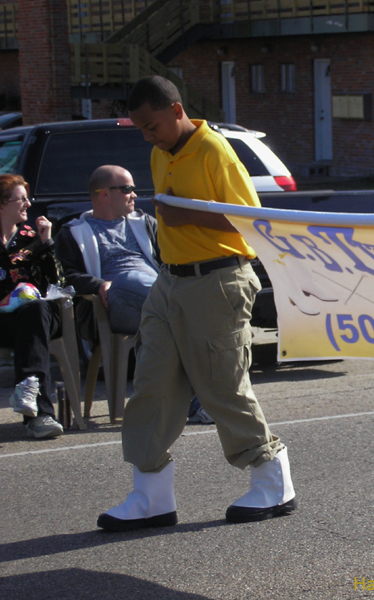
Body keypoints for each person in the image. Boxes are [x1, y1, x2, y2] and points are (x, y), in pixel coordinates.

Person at [97, 75, 296, 531]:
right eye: (142, 130)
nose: (149, 136)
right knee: (151, 385)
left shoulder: (215, 151)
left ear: (176, 110)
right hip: (170, 282)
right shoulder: (159, 151)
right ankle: (151, 498)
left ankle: (273, 481)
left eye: (153, 126)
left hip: (218, 279)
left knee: (221, 385)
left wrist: (187, 213)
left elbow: (253, 223)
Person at [55, 165, 213, 424]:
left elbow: (171, 260)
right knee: (132, 280)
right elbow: (65, 276)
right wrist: (97, 285)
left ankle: (195, 405)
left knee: (168, 324)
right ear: (104, 194)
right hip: (112, 305)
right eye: (127, 189)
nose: (134, 195)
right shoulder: (73, 231)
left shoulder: (145, 224)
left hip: (154, 299)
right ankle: (203, 396)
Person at [0, 174, 65, 439]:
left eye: (28, 198)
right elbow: (9, 265)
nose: (28, 204)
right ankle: (38, 413)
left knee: (35, 311)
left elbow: (56, 281)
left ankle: (31, 394)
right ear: (2, 205)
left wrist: (46, 242)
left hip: (35, 317)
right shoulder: (25, 241)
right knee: (32, 324)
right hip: (3, 322)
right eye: (21, 199)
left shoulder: (30, 236)